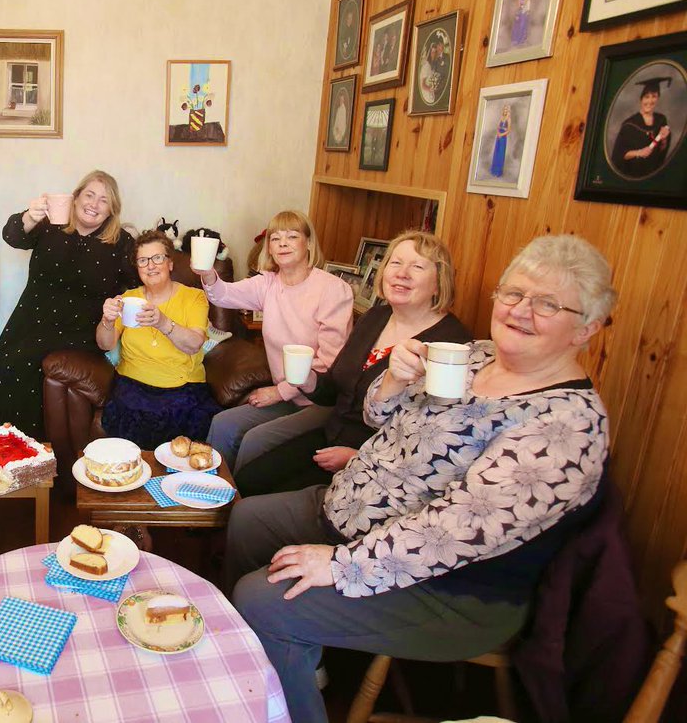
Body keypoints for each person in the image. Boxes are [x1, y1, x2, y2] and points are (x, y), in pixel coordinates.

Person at [226, 235, 616, 723]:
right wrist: (392, 379)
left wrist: (341, 565)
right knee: (244, 519)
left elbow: (451, 533)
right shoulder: (471, 355)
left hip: (447, 586)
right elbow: (375, 415)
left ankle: (284, 684)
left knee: (263, 598)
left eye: (548, 304)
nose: (520, 311)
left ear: (587, 328)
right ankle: (245, 670)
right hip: (348, 506)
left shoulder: (566, 427)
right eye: (513, 294)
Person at [235, 231, 471, 497]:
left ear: (439, 282)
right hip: (333, 434)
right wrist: (306, 379)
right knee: (247, 480)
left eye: (417, 266)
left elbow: (434, 436)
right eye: (395, 263)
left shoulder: (451, 345)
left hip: (376, 467)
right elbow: (334, 390)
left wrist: (359, 456)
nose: (402, 273)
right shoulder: (375, 317)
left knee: (257, 507)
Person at [0, 170, 138, 437]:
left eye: (103, 200)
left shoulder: (121, 243)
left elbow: (138, 283)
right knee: (2, 366)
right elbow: (12, 236)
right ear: (75, 198)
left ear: (112, 209)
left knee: (43, 376)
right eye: (89, 195)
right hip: (31, 322)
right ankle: (0, 451)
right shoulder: (50, 224)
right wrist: (31, 215)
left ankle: (41, 459)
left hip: (80, 332)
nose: (94, 204)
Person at [196, 210, 352, 473]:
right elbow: (223, 295)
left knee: (255, 441)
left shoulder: (333, 290)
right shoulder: (268, 284)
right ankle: (209, 497)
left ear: (309, 244)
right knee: (223, 424)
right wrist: (208, 274)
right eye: (275, 238)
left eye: (292, 236)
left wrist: (279, 392)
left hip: (319, 401)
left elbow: (329, 363)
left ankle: (239, 508)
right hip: (288, 396)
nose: (282, 243)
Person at [97, 229, 219, 449]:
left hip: (182, 385)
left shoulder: (194, 297)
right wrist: (107, 320)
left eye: (157, 258)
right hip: (133, 383)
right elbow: (105, 344)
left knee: (180, 419)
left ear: (170, 263)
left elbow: (194, 344)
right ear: (137, 268)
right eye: (143, 260)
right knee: (132, 414)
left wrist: (163, 323)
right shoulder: (128, 298)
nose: (150, 266)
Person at [610, 76, 673, 179]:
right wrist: (639, 152)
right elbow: (618, 156)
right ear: (641, 99)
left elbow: (662, 150)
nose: (650, 101)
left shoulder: (661, 120)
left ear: (658, 98)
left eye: (654, 96)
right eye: (646, 97)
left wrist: (665, 138)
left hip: (654, 174)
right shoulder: (629, 125)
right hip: (634, 175)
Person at [489, 104, 511, 178]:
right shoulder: (501, 117)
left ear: (508, 111)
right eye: (504, 109)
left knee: (501, 154)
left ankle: (498, 172)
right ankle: (494, 171)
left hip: (503, 137)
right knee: (496, 152)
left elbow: (508, 130)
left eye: (506, 109)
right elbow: (498, 126)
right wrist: (498, 132)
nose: (505, 111)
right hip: (498, 137)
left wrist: (502, 134)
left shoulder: (509, 119)